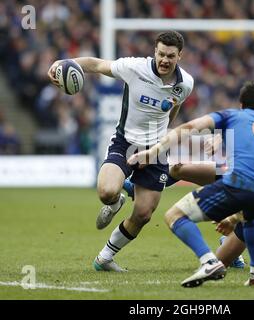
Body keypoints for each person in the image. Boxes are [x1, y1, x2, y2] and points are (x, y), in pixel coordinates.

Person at [48, 30, 194, 272]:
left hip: (156, 150)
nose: (164, 60)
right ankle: (116, 201)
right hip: (125, 143)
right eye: (161, 54)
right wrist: (63, 63)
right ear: (154, 52)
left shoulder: (185, 83)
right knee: (106, 192)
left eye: (170, 55)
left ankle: (104, 258)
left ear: (180, 56)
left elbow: (175, 106)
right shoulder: (134, 67)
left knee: (144, 214)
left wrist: (165, 132)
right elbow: (95, 64)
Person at [128, 81, 254, 287]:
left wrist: (152, 152)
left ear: (241, 103)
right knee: (251, 217)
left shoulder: (233, 115)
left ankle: (208, 261)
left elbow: (191, 127)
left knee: (174, 215)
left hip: (240, 184)